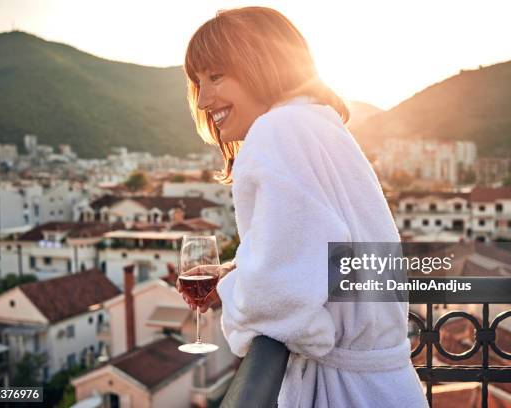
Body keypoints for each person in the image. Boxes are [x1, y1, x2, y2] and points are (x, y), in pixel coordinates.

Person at [177, 6, 428, 408]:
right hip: (386, 385)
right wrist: (236, 273)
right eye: (198, 82)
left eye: (216, 76)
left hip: (347, 392)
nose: (204, 99)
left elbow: (279, 295)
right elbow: (315, 249)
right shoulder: (317, 123)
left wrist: (231, 288)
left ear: (261, 65)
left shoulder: (275, 131)